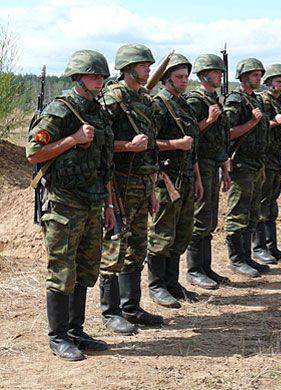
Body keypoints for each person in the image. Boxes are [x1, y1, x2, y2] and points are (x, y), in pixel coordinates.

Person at [27, 50, 113, 360]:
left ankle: (76, 330)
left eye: (102, 76)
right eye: (94, 76)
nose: (100, 81)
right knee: (62, 270)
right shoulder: (60, 111)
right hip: (64, 203)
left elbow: (105, 165)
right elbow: (34, 153)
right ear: (78, 78)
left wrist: (110, 205)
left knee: (86, 268)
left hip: (92, 203)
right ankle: (58, 336)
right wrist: (73, 139)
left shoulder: (98, 112)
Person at [100, 44, 163, 335]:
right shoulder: (112, 100)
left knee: (137, 247)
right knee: (115, 248)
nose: (148, 69)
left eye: (149, 65)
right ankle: (110, 312)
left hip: (141, 182)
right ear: (128, 68)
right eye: (143, 65)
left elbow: (149, 150)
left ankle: (131, 307)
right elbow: (98, 145)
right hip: (119, 185)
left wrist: (151, 188)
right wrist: (127, 146)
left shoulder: (144, 99)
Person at [147, 53, 202, 307]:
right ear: (166, 79)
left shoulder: (185, 105)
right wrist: (175, 145)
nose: (184, 81)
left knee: (182, 233)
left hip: (187, 176)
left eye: (186, 77)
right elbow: (148, 142)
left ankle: (172, 282)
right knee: (162, 233)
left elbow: (193, 148)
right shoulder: (158, 105)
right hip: (166, 178)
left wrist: (198, 178)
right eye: (179, 77)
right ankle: (157, 286)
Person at [185, 54, 231, 289]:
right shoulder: (195, 101)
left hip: (214, 163)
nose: (221, 75)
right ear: (204, 75)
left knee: (210, 218)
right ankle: (194, 270)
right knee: (200, 217)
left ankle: (206, 267)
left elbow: (222, 137)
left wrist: (225, 165)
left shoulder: (214, 99)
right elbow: (190, 135)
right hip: (201, 163)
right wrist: (209, 120)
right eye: (217, 72)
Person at [223, 58, 270, 278]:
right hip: (240, 163)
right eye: (254, 75)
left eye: (260, 75)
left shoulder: (257, 100)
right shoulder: (235, 100)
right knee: (238, 213)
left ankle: (247, 256)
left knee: (252, 212)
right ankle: (236, 259)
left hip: (255, 163)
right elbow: (228, 132)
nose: (258, 78)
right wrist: (251, 122)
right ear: (243, 78)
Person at [252, 64, 281, 264]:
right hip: (264, 158)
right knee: (262, 203)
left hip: (276, 158)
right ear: (269, 83)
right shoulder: (263, 101)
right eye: (278, 81)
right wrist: (274, 122)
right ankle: (259, 247)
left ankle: (271, 246)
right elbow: (258, 127)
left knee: (271, 203)